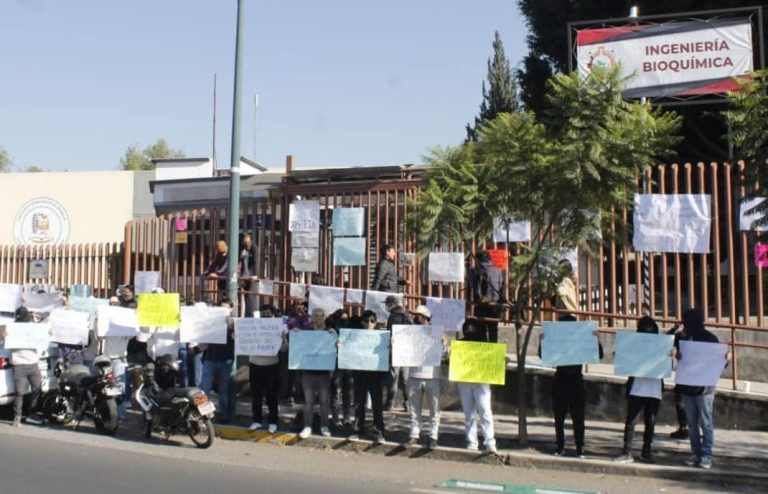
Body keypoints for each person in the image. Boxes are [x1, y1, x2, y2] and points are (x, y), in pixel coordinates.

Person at [541, 313, 603, 458]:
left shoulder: (580, 339)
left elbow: (598, 355)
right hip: (564, 380)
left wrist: (595, 340)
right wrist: (543, 341)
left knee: (576, 418)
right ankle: (563, 446)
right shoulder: (558, 339)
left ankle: (577, 447)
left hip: (573, 381)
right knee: (562, 417)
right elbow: (544, 355)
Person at [677, 307, 727, 470]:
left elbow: (719, 362)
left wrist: (726, 358)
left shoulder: (709, 339)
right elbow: (675, 352)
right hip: (688, 386)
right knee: (692, 424)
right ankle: (696, 453)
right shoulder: (684, 339)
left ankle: (706, 454)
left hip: (704, 389)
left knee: (705, 423)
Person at [614, 316, 664, 464]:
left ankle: (628, 451)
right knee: (649, 422)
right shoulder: (658, 343)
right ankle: (645, 451)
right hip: (651, 388)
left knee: (633, 421)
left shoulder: (635, 343)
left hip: (639, 387)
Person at [404, 305, 443, 449]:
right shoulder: (409, 333)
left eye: (419, 315)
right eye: (415, 315)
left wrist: (443, 345)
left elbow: (443, 353)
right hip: (414, 374)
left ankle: (433, 435)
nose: (416, 318)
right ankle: (414, 434)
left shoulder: (436, 333)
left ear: (425, 318)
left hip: (432, 375)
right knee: (414, 408)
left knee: (434, 408)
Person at [455, 318, 497, 453]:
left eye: (473, 329)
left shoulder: (487, 347)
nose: (470, 332)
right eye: (468, 329)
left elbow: (493, 361)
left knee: (485, 410)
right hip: (465, 381)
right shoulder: (460, 344)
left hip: (481, 381)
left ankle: (489, 442)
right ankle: (472, 442)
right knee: (469, 413)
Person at [297, 308, 337, 439]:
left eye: (322, 315)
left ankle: (324, 426)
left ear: (325, 317)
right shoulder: (306, 332)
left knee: (324, 401)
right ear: (312, 318)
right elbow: (298, 347)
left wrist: (337, 342)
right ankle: (307, 426)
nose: (319, 318)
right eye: (316, 315)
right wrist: (295, 334)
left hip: (324, 373)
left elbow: (336, 349)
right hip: (308, 372)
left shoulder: (331, 332)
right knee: (308, 402)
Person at [348, 310, 387, 444]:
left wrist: (390, 345)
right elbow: (347, 348)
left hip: (376, 375)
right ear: (362, 322)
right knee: (359, 403)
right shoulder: (355, 336)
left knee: (377, 404)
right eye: (366, 321)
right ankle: (358, 429)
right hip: (360, 373)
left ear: (376, 323)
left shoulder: (382, 336)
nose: (369, 324)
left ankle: (379, 431)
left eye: (372, 321)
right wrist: (341, 346)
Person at [248, 304, 286, 433]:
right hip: (254, 365)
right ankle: (256, 420)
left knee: (271, 396)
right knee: (256, 395)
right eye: (263, 314)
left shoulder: (279, 328)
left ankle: (273, 421)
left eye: (268, 314)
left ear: (273, 315)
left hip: (271, 366)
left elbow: (284, 349)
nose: (265, 316)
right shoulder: (253, 326)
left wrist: (283, 339)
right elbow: (244, 341)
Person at [7, 307, 45, 426]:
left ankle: (30, 413)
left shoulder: (32, 328)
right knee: (20, 392)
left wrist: (46, 333)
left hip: (32, 363)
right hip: (19, 364)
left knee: (36, 389)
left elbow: (43, 333)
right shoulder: (11, 329)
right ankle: (17, 416)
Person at [200, 298, 235, 424]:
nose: (223, 310)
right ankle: (204, 414)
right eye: (221, 307)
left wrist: (233, 331)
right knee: (205, 388)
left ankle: (224, 415)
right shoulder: (211, 321)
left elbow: (242, 339)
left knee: (223, 390)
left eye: (226, 307)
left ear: (231, 309)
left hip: (225, 361)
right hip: (210, 359)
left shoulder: (234, 324)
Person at [469, 250, 504, 342]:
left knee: (481, 331)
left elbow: (475, 286)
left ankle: (484, 354)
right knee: (493, 331)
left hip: (483, 306)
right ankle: (493, 354)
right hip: (495, 305)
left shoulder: (479, 270)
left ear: (478, 259)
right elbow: (501, 285)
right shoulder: (498, 269)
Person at [384, 294, 412, 411]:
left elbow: (390, 333)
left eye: (387, 304)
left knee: (393, 377)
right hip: (406, 349)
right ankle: (407, 403)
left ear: (392, 305)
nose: (386, 307)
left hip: (395, 349)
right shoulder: (407, 315)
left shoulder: (393, 316)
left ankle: (389, 403)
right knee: (405, 378)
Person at [667, 323, 689, 440]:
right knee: (684, 401)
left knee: (681, 401)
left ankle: (684, 428)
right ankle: (686, 428)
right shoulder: (702, 336)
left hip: (685, 374)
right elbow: (666, 340)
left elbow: (666, 339)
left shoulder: (681, 335)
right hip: (695, 375)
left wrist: (675, 329)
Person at [239, 233, 257, 317]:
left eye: (245, 240)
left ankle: (250, 314)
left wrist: (255, 274)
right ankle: (244, 314)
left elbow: (255, 261)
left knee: (250, 296)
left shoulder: (253, 247)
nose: (244, 242)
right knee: (243, 295)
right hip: (243, 274)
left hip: (250, 275)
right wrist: (240, 256)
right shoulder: (242, 248)